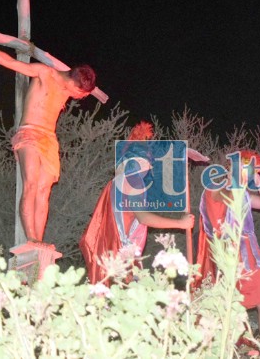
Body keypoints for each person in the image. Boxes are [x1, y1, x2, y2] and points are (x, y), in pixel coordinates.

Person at [0, 28, 97, 243]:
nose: (79, 97)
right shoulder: (45, 74)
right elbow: (10, 63)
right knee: (31, 184)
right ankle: (31, 239)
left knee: (44, 190)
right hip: (30, 132)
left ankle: (39, 240)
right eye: (80, 93)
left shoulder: (67, 89)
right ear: (74, 83)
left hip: (49, 140)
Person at [79, 121, 198, 285]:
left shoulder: (114, 183)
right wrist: (180, 223)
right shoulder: (134, 180)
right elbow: (143, 217)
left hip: (107, 256)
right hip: (121, 258)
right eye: (148, 164)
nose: (149, 169)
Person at [194, 150, 260, 354]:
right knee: (229, 312)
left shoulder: (242, 191)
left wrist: (258, 182)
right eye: (249, 170)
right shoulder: (216, 187)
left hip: (252, 256)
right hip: (230, 259)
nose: (249, 175)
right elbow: (222, 200)